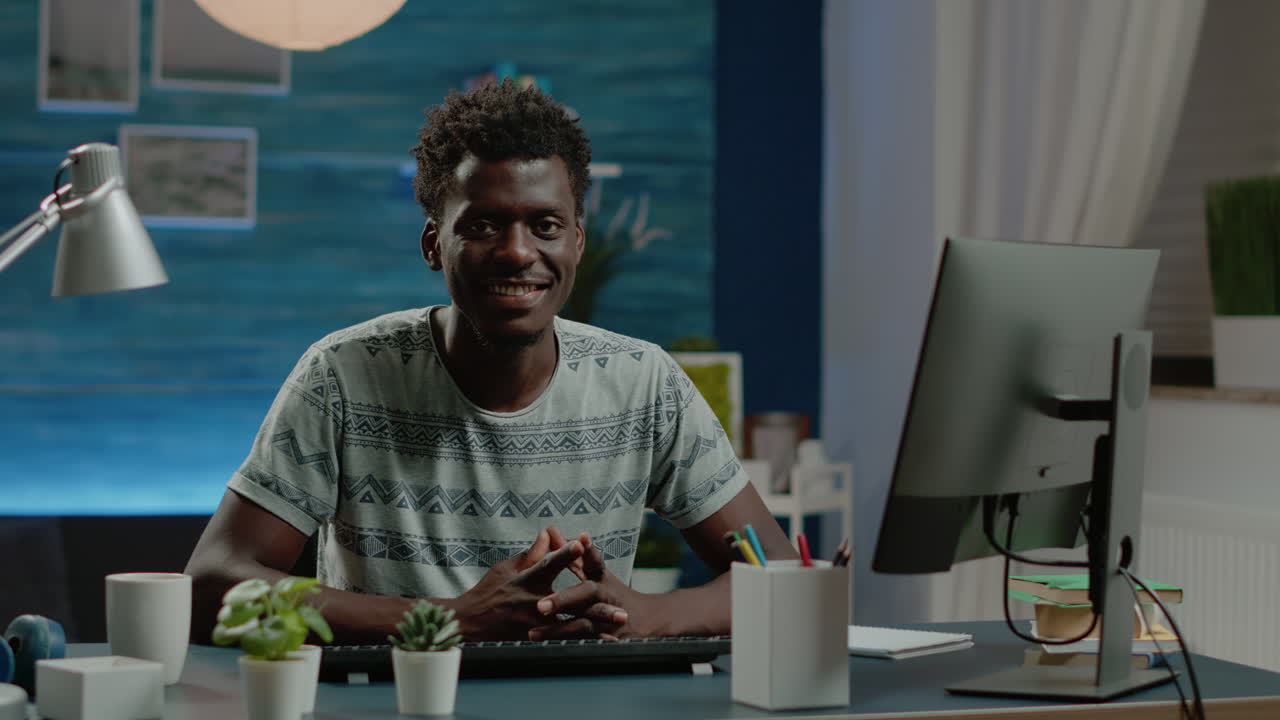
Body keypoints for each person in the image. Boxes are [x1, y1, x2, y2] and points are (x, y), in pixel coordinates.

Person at [184, 79, 796, 645]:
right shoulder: (341, 375)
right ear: (434, 245)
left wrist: (649, 614)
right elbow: (211, 583)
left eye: (546, 225)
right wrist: (454, 620)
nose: (517, 252)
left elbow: (783, 576)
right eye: (483, 225)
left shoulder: (645, 383)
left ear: (576, 242)